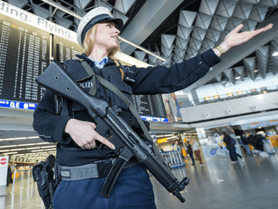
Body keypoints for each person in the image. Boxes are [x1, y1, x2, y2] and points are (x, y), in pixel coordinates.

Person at [32, 6, 273, 209]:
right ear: (91, 32)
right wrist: (69, 125)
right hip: (77, 186)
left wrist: (221, 48)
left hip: (130, 179)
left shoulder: (124, 73)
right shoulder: (66, 73)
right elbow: (41, 119)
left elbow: (174, 76)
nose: (117, 30)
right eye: (109, 26)